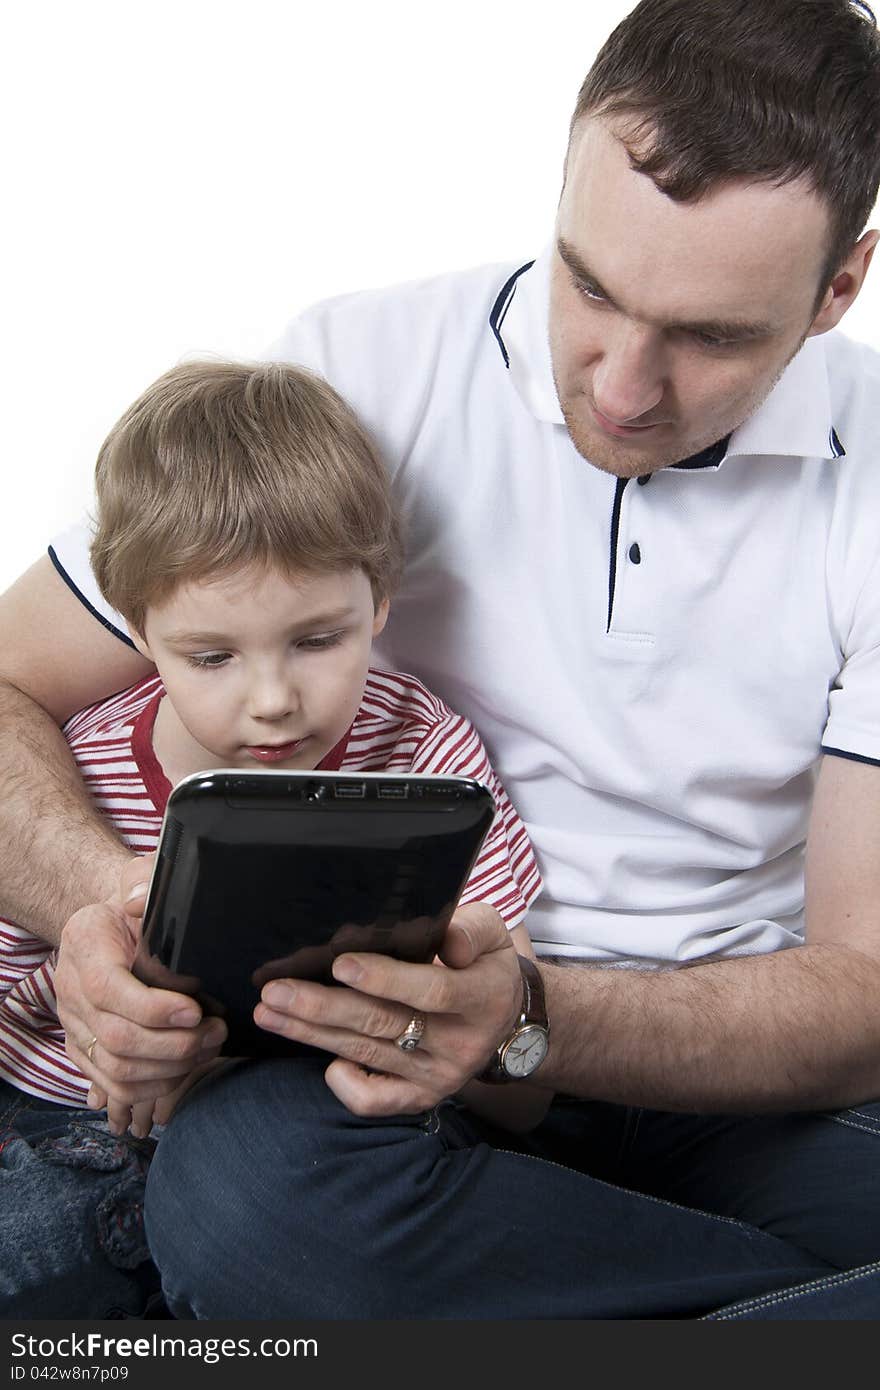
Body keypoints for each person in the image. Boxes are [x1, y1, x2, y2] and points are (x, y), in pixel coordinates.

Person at [0, 0, 879, 1321]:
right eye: (592, 286)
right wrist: (107, 906)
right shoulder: (363, 368)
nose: (624, 383)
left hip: (737, 1093)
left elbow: (864, 990)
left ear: (840, 286)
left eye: (710, 336)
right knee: (250, 1202)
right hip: (369, 1061)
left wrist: (530, 1013)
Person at [0, 360, 542, 1317]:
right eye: (211, 657)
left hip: (313, 1145)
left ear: (380, 598)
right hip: (55, 1124)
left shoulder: (426, 756)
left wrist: (481, 1025)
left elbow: (518, 1070)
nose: (273, 700)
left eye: (318, 639)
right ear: (136, 629)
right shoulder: (76, 773)